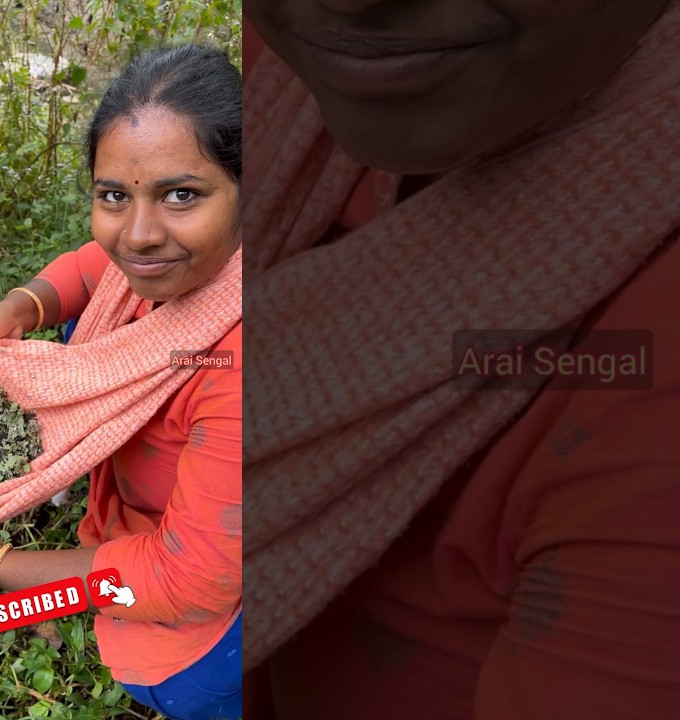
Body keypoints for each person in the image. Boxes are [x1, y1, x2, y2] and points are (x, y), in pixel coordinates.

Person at [239, 1, 680, 718]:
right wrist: (40, 303)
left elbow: (161, 582)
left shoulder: (651, 394)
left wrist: (14, 572)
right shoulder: (305, 76)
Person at [0, 45, 243, 720]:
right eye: (114, 195)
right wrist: (21, 306)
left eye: (182, 195)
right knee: (79, 320)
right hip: (143, 526)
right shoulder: (156, 265)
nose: (138, 236)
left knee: (180, 687)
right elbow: (92, 265)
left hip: (204, 641)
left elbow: (192, 583)